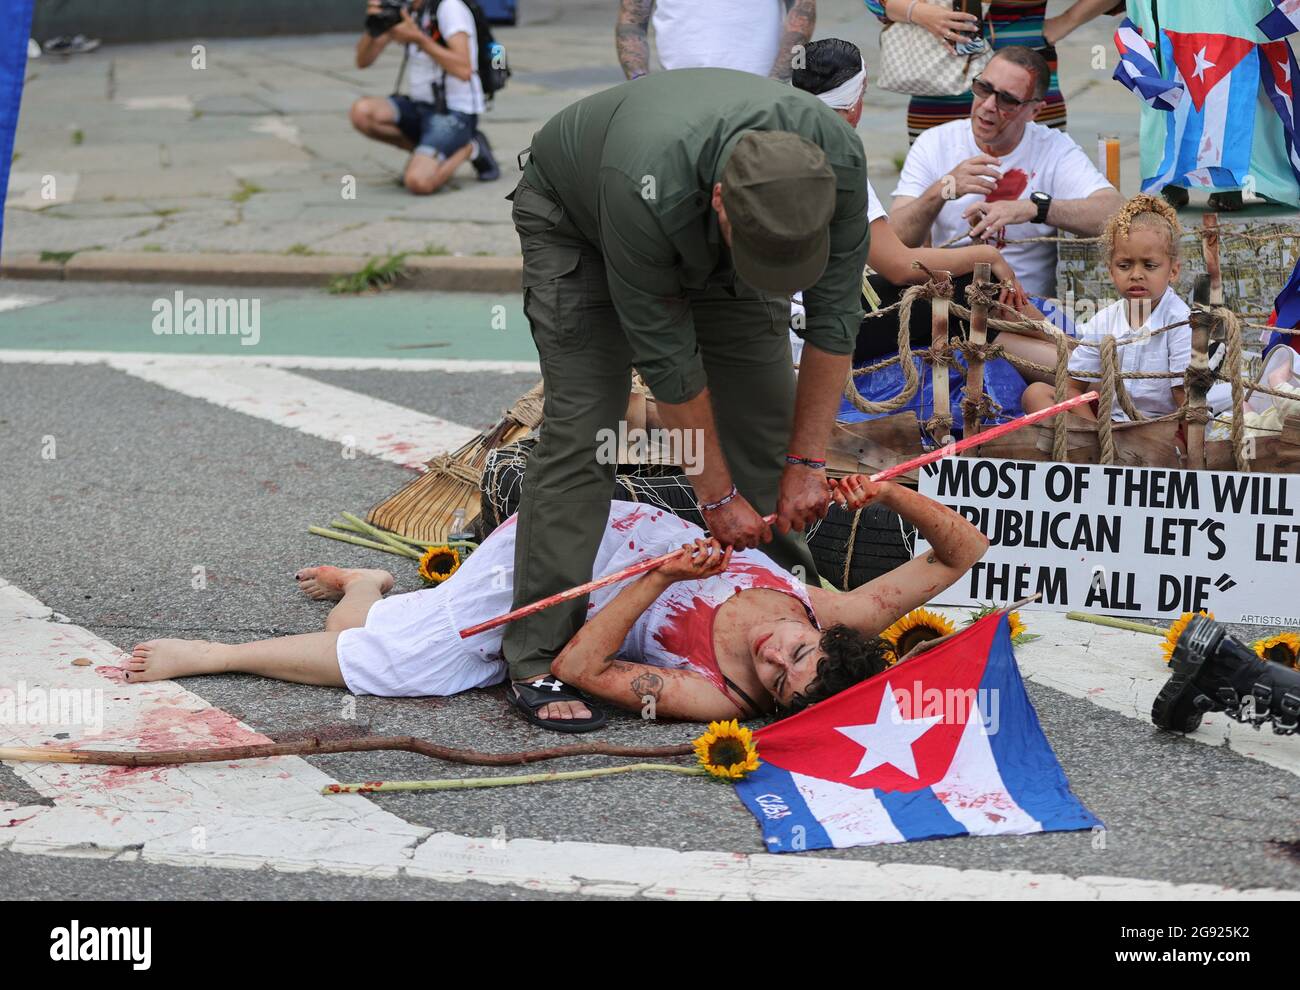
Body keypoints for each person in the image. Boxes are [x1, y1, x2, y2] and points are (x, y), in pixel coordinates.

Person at [504, 69, 871, 730]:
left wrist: (808, 464)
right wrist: (718, 499)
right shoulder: (644, 189)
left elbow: (834, 321)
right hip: (584, 221)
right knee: (589, 427)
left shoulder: (835, 165)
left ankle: (783, 607)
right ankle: (537, 649)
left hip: (739, 228)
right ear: (725, 202)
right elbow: (672, 369)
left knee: (766, 418)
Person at [123, 477, 989, 727]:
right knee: (415, 657)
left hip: (616, 592)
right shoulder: (837, 617)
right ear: (816, 638)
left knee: (407, 667)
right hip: (591, 539)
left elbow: (575, 668)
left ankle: (225, 651)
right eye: (792, 653)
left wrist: (660, 584)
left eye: (780, 687)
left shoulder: (713, 697)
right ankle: (369, 594)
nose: (774, 660)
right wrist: (883, 495)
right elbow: (963, 552)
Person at [791, 37, 1025, 363]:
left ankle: (1061, 352)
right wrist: (988, 255)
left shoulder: (779, 137)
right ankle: (1067, 353)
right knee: (973, 283)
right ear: (855, 101)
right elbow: (901, 266)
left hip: (776, 315)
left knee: (957, 292)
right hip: (809, 330)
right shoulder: (838, 158)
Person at [890, 46, 1123, 302]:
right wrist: (941, 190)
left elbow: (1117, 214)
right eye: (984, 88)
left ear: (1034, 111)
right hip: (949, 301)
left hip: (1026, 305)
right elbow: (895, 243)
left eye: (1007, 100)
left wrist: (1035, 208)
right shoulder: (935, 142)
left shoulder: (1054, 148)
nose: (988, 105)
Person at [1022, 193, 1189, 421]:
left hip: (1162, 428)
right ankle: (1096, 451)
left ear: (1173, 271)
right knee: (1037, 393)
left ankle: (1100, 451)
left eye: (1149, 265)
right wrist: (1097, 432)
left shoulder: (1181, 320)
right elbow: (1071, 387)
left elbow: (1185, 397)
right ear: (1111, 271)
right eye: (1124, 265)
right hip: (1110, 425)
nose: (1136, 275)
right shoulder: (1105, 320)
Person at [865, 0, 1121, 142]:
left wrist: (1066, 21)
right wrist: (919, 12)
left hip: (1023, 87)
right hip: (938, 83)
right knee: (938, 200)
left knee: (1033, 192)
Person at [349, 0, 499, 194]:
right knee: (362, 112)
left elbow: (464, 69)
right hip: (420, 107)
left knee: (418, 182)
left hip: (454, 113)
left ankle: (471, 147)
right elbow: (362, 61)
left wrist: (419, 39)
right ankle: (428, 153)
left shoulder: (449, 8)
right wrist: (374, 24)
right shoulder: (406, 10)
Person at [616, 0, 816, 82]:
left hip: (758, 90)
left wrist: (777, 82)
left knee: (755, 168)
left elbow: (803, 11)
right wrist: (639, 83)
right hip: (678, 91)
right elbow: (632, 21)